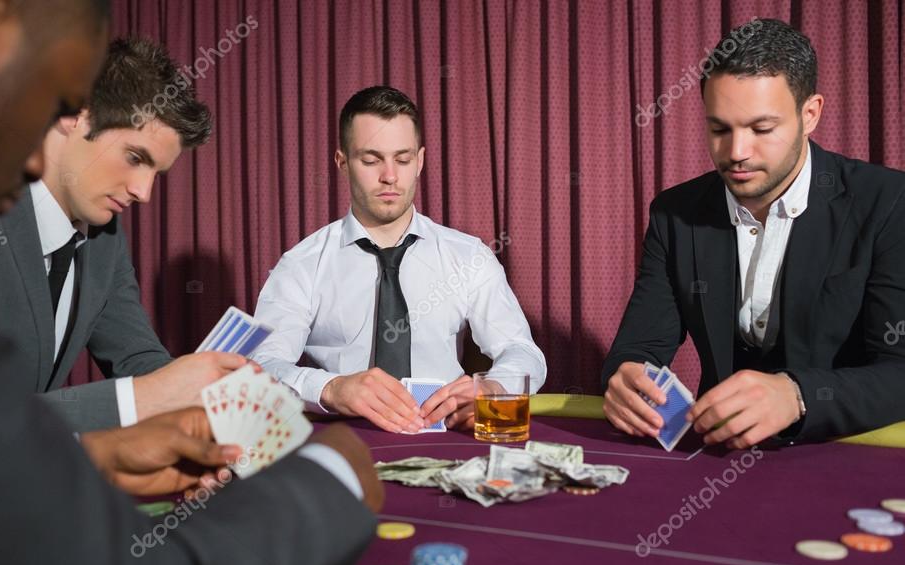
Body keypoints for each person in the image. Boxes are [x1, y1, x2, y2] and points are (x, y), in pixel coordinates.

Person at [0, 2, 382, 565]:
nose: (145, 192)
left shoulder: (100, 237)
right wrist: (327, 475)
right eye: (54, 104)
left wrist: (103, 450)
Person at [602, 18, 905, 448]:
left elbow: (900, 369)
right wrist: (626, 375)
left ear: (810, 113)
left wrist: (798, 395)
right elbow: (639, 347)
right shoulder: (675, 213)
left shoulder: (889, 202)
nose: (737, 153)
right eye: (719, 129)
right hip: (715, 457)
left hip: (844, 451)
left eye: (762, 129)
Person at [0, 36, 237, 432]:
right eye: (134, 158)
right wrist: (146, 399)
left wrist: (188, 418)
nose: (143, 193)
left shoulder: (104, 237)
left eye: (156, 174)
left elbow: (137, 357)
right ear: (72, 113)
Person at [251, 85, 547, 434]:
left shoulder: (469, 256)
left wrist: (493, 388)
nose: (390, 176)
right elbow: (257, 366)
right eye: (371, 160)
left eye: (403, 159)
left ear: (420, 161)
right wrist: (329, 388)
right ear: (342, 163)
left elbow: (523, 351)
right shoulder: (301, 264)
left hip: (448, 441)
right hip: (344, 442)